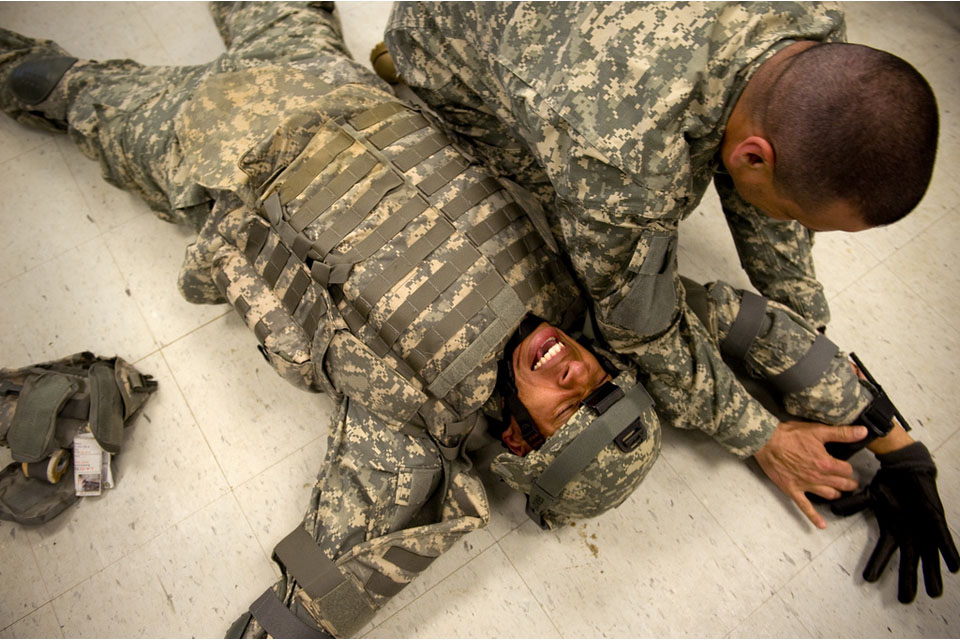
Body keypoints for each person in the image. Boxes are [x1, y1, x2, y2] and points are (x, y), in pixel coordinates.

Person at [0, 2, 952, 634]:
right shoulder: (607, 216)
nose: (584, 373)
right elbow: (758, 332)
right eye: (608, 387)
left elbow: (341, 571)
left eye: (574, 416)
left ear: (517, 440)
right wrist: (888, 432)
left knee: (64, 91)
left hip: (211, 143)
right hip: (352, 80)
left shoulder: (415, 423)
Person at [381, 1, 941, 530]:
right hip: (442, 30)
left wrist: (834, 371)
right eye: (802, 218)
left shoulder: (805, 28)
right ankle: (407, 68)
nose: (800, 231)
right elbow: (642, 326)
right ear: (754, 155)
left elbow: (773, 181)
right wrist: (763, 436)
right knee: (580, 232)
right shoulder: (624, 161)